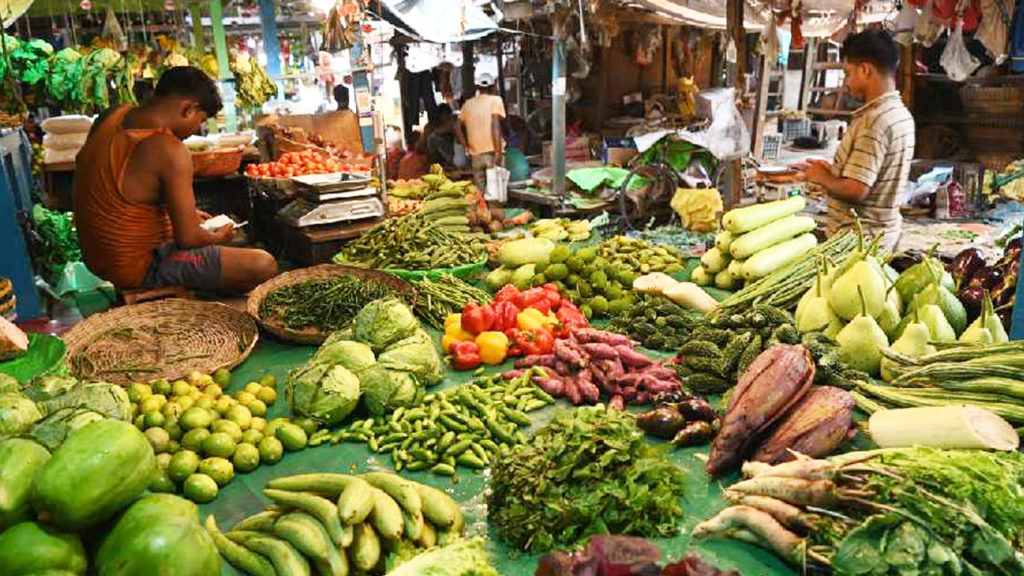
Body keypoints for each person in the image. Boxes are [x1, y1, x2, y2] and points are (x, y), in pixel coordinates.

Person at [73, 66, 277, 294]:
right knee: (263, 264)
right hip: (139, 267)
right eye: (200, 121)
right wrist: (220, 236)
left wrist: (188, 214)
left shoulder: (111, 116)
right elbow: (189, 238)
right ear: (189, 109)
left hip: (95, 259)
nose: (195, 130)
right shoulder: (169, 149)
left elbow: (129, 192)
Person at [801, 29, 915, 252]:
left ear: (865, 70)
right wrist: (833, 171)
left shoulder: (875, 121)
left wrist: (821, 176)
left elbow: (857, 189)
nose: (846, 83)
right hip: (881, 237)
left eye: (848, 73)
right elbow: (872, 175)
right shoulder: (900, 114)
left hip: (858, 244)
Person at [456, 73, 506, 190]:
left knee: (481, 194)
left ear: (477, 87)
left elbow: (457, 127)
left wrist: (466, 147)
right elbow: (495, 124)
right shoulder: (496, 100)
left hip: (476, 155)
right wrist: (498, 152)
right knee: (497, 193)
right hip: (492, 153)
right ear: (493, 87)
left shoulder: (468, 104)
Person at [319, 84, 363, 154]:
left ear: (335, 98)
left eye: (343, 99)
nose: (343, 101)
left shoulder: (331, 119)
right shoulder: (354, 117)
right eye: (342, 99)